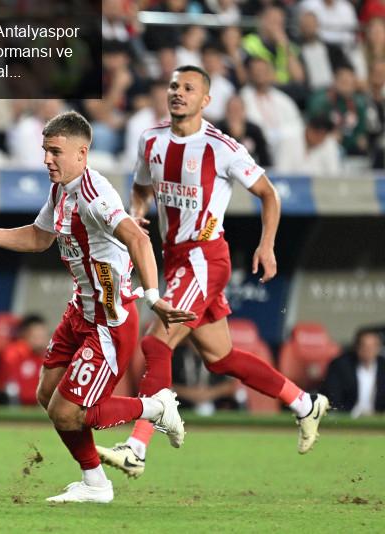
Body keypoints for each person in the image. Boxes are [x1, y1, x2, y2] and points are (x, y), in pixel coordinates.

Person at [97, 65, 330, 481]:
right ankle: (303, 403)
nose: (178, 93)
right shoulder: (150, 140)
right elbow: (140, 185)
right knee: (220, 358)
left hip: (206, 260)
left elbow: (268, 194)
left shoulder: (222, 148)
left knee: (155, 345)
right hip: (175, 259)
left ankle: (136, 447)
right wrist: (136, 211)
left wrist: (266, 245)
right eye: (173, 86)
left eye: (189, 88)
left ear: (205, 100)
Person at [0, 110, 195, 504]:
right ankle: (95, 483)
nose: (47, 159)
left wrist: (154, 297)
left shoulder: (95, 196)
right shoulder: (61, 189)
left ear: (82, 153)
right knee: (48, 397)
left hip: (109, 321)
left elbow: (139, 239)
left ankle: (155, 407)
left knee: (70, 411)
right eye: (45, 151)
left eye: (55, 152)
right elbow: (37, 237)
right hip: (79, 311)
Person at [321, 327, 385, 416]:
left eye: (372, 346)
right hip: (348, 418)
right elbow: (333, 397)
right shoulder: (340, 365)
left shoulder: (382, 367)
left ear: (378, 348)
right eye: (364, 346)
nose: (368, 350)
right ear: (357, 347)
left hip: (376, 419)